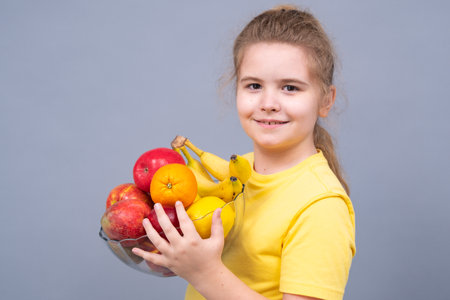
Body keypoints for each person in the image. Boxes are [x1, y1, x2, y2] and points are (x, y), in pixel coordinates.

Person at [132, 5, 356, 300]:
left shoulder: (321, 205)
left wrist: (205, 273)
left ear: (326, 100)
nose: (268, 103)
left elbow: (210, 275)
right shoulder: (235, 176)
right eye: (254, 85)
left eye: (290, 87)